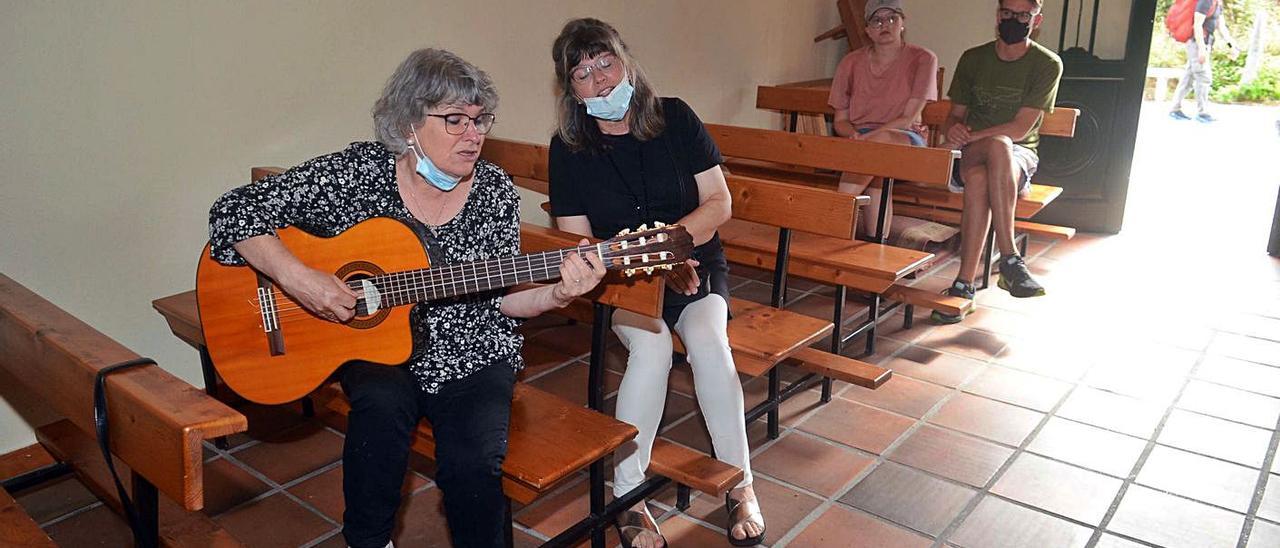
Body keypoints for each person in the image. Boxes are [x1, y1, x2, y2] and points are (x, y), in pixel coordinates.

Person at [207, 48, 605, 548]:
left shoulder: (494, 192)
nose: (474, 134)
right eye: (455, 120)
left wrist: (559, 294)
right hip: (377, 349)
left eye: (481, 120)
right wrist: (299, 278)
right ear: (408, 123)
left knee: (474, 465)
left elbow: (500, 302)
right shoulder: (358, 174)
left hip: (471, 347)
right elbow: (234, 210)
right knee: (378, 413)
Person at [547, 18, 765, 548]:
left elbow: (720, 203)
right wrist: (650, 267)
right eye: (582, 74)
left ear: (626, 63)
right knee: (652, 352)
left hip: (698, 263)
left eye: (606, 64)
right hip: (623, 282)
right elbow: (577, 244)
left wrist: (675, 249)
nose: (598, 82)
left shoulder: (675, 118)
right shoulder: (567, 147)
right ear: (570, 90)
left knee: (711, 345)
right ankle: (630, 497)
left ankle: (741, 484)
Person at [932, 0, 1063, 324]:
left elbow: (1020, 130)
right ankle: (1010, 259)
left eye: (1023, 15)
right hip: (972, 149)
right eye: (1007, 13)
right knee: (994, 148)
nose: (1013, 20)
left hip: (1017, 154)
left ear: (1037, 20)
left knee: (985, 171)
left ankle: (963, 285)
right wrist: (955, 130)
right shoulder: (973, 58)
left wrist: (972, 136)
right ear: (997, 15)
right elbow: (954, 117)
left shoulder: (1047, 64)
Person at [828, 0, 939, 238]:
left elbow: (908, 118)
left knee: (878, 148)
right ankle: (876, 242)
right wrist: (854, 135)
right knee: (877, 172)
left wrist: (866, 140)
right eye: (877, 21)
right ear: (867, 30)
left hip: (907, 138)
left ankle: (834, 221)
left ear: (902, 24)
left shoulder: (923, 59)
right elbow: (840, 121)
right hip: (862, 138)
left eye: (892, 19)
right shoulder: (850, 62)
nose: (885, 25)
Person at [1170, 0, 1241, 123]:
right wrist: (1201, 49)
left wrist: (1231, 44)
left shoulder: (1217, 2)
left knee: (1188, 78)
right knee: (1204, 77)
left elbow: (1221, 25)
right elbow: (1197, 24)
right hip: (1197, 43)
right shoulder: (1206, 1)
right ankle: (1202, 113)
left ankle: (1174, 109)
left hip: (1205, 43)